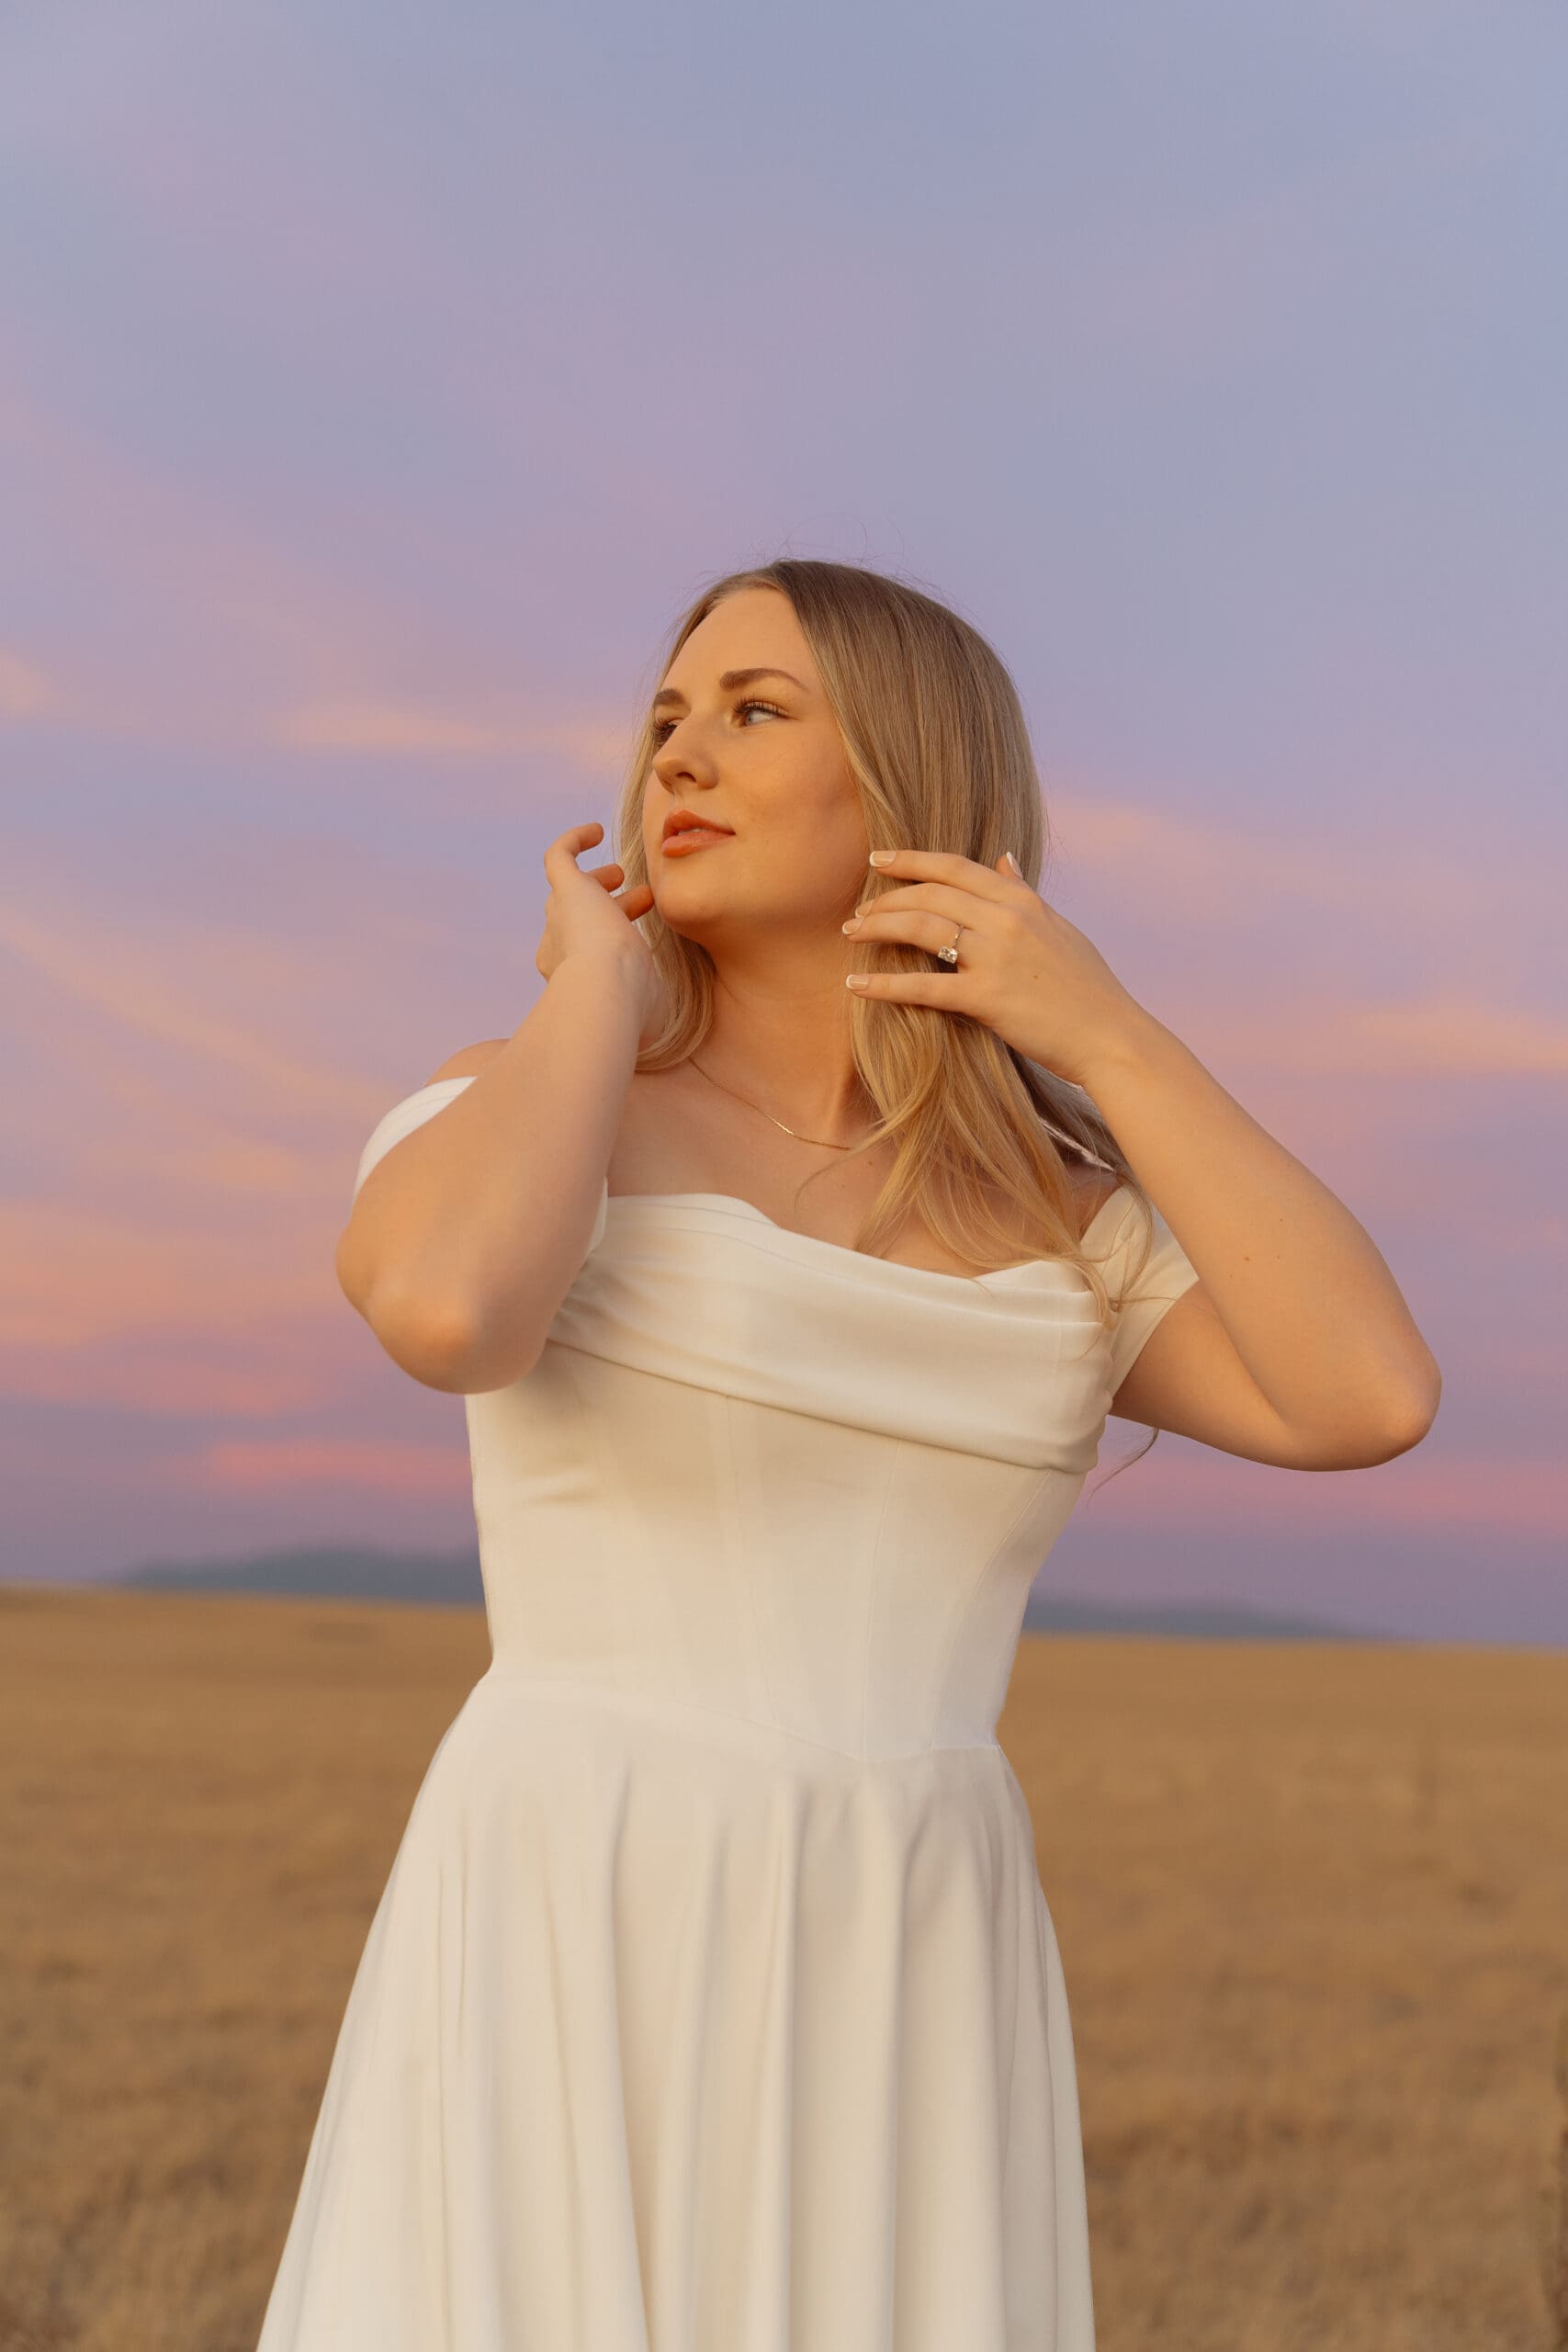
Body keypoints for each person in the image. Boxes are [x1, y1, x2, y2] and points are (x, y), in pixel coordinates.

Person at [256, 558, 1441, 2350]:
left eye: (752, 709)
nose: (679, 753)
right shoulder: (532, 1102)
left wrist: (1102, 1030)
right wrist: (597, 986)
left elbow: (1365, 1393)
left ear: (905, 782)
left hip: (913, 1927)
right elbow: (443, 1307)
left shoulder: (1053, 1218)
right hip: (582, 1884)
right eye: (663, 715)